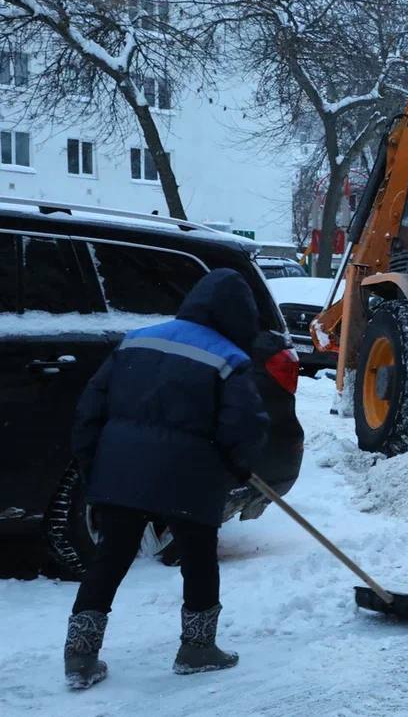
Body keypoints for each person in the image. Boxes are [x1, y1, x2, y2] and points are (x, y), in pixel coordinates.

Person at [63, 268, 269, 690]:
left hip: (121, 472)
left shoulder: (137, 339)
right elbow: (244, 425)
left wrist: (93, 466)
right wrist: (238, 465)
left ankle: (80, 656)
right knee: (198, 560)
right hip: (191, 478)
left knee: (110, 559)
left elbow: (90, 409)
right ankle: (197, 649)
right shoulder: (230, 359)